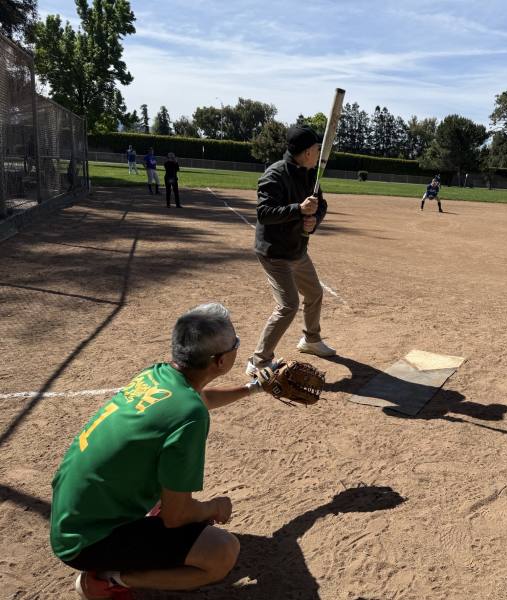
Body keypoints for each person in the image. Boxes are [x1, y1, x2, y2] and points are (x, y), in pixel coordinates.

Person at [50, 303, 264, 599]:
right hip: (87, 541)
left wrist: (254, 388)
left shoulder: (156, 375)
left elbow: (200, 399)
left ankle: (123, 550)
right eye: (235, 345)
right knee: (222, 552)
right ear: (220, 360)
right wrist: (213, 507)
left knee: (179, 511)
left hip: (74, 516)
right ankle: (109, 579)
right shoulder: (189, 416)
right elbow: (177, 517)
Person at [246, 125, 335, 378]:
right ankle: (258, 361)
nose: (319, 152)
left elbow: (321, 204)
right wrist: (299, 210)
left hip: (297, 249)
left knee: (314, 292)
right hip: (274, 252)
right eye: (317, 149)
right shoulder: (274, 175)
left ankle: (311, 339)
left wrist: (314, 218)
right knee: (288, 305)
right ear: (307, 152)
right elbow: (264, 214)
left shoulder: (311, 174)